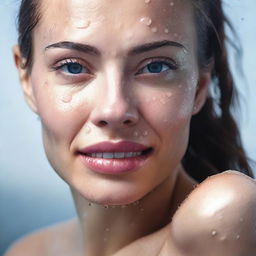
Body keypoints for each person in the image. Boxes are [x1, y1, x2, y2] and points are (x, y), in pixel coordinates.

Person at [5, 0, 256, 255]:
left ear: (199, 87)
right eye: (73, 66)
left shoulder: (224, 213)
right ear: (26, 80)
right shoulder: (26, 250)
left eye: (155, 67)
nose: (114, 110)